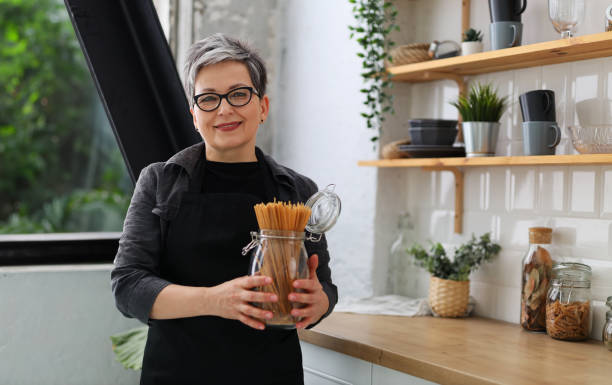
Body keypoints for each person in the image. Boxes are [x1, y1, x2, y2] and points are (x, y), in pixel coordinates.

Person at [110, 33, 337, 384]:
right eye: (209, 99)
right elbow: (128, 286)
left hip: (271, 374)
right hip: (176, 374)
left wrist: (319, 303)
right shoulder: (159, 182)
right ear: (194, 115)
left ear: (262, 107)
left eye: (238, 94)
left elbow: (323, 286)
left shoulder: (296, 190)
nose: (224, 109)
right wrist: (215, 300)